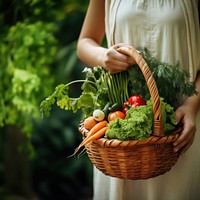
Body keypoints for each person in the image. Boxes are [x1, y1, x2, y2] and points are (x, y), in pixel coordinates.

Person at [77, 1, 200, 200]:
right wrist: (104, 57)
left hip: (180, 124)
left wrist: (191, 106)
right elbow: (85, 42)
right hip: (120, 132)